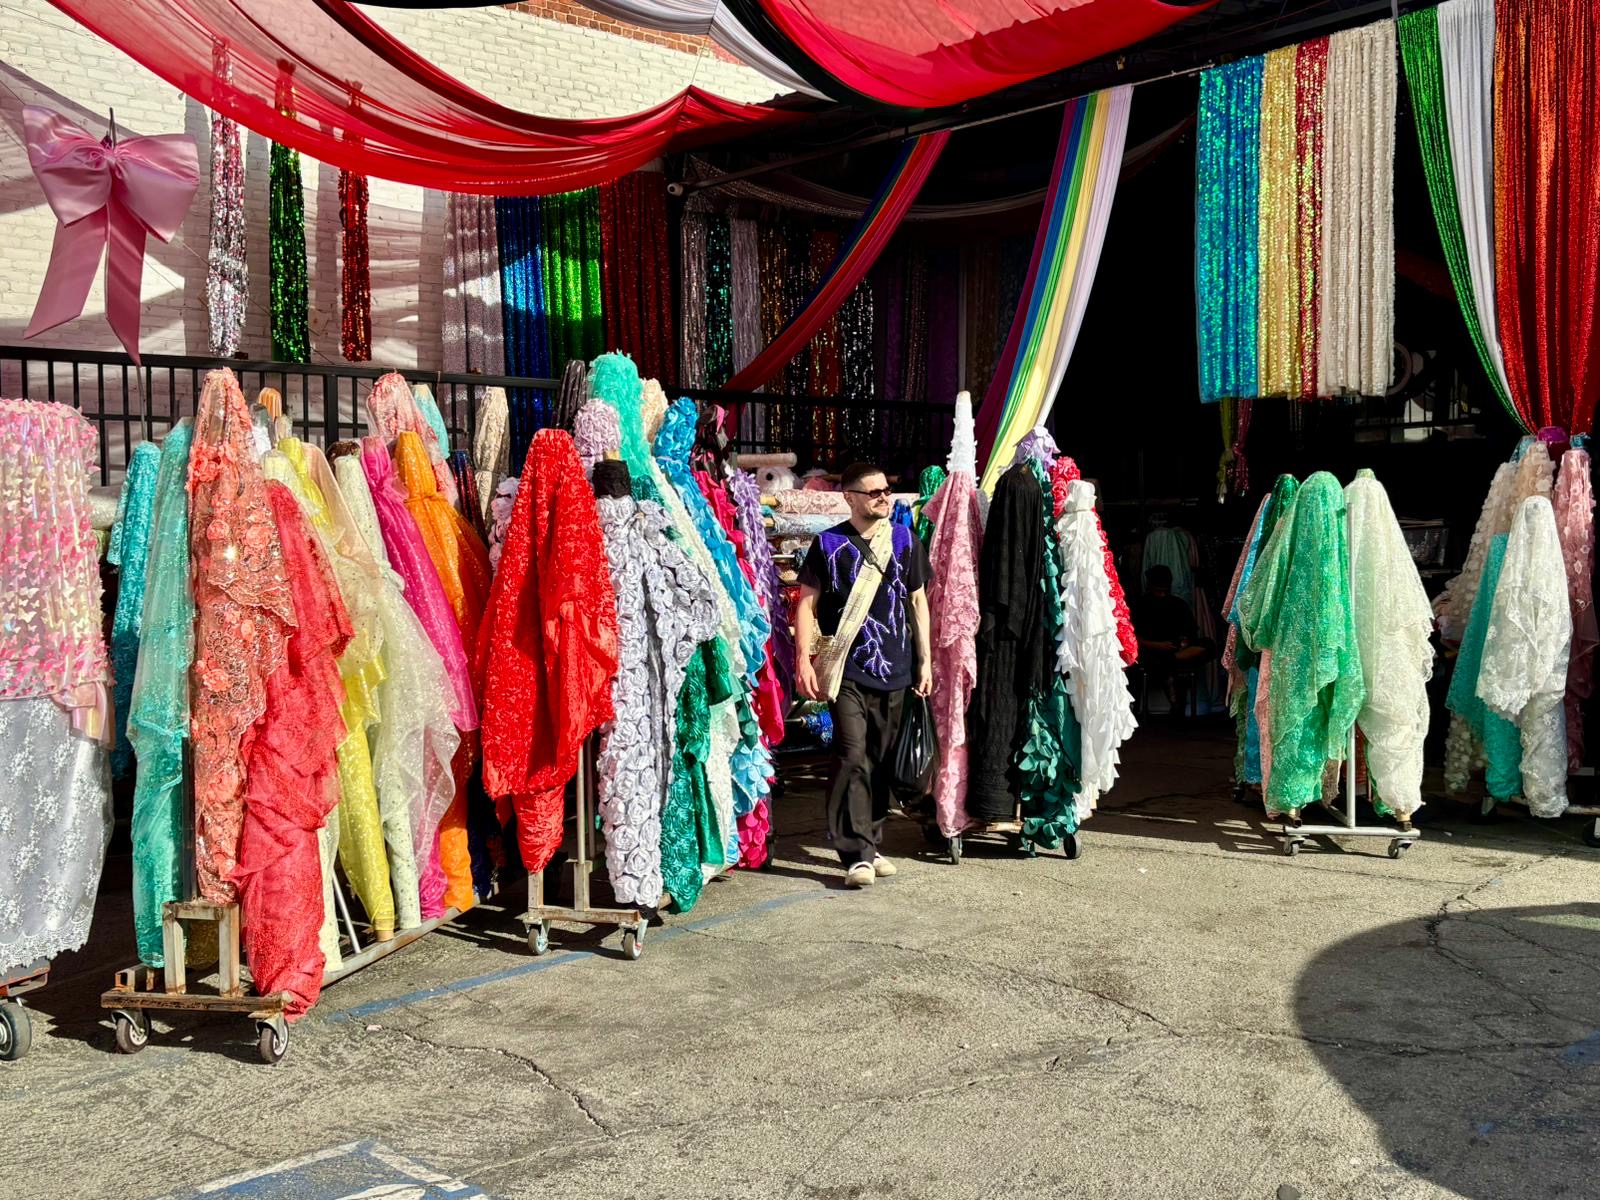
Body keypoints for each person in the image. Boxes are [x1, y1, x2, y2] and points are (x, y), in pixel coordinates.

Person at [795, 464, 933, 888]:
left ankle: (872, 843)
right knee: (852, 754)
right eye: (871, 492)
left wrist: (925, 660)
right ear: (849, 497)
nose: (882, 497)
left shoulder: (906, 540)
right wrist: (803, 658)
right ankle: (854, 853)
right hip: (849, 669)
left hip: (897, 668)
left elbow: (918, 600)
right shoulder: (829, 543)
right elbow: (806, 603)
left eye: (885, 490)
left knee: (879, 760)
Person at [1133, 564, 1213, 714]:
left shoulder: (1178, 604)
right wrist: (1158, 645)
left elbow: (1191, 632)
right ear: (1150, 587)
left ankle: (1171, 660)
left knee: (1209, 645)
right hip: (1151, 650)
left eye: (1165, 591)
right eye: (1158, 591)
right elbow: (1133, 637)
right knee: (1146, 658)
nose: (1162, 595)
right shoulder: (1141, 605)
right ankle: (1170, 663)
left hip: (1176, 651)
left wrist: (1184, 642)